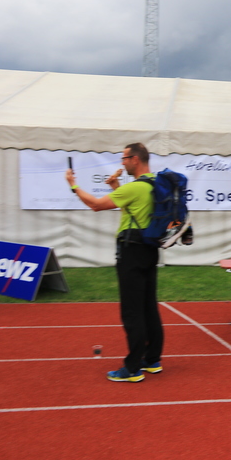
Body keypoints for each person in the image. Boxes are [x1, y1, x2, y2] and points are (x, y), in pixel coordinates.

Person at [65, 143, 164, 383]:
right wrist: (116, 187)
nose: (122, 163)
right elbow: (134, 210)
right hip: (150, 249)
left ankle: (132, 368)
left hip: (131, 251)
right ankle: (152, 360)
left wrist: (73, 185)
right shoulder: (156, 184)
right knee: (148, 307)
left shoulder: (135, 187)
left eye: (125, 158)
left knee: (132, 311)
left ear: (136, 160)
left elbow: (96, 205)